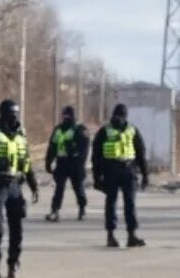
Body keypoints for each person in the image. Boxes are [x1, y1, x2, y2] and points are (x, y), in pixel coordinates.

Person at [0, 99, 39, 278]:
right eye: (10, 113)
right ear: (3, 114)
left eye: (16, 113)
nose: (14, 117)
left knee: (17, 227)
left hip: (15, 186)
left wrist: (33, 185)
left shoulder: (21, 134)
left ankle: (13, 262)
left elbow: (26, 162)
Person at [91, 104, 149, 248]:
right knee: (122, 203)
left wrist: (97, 177)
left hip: (122, 170)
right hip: (118, 169)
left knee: (121, 203)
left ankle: (124, 236)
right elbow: (96, 155)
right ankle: (120, 235)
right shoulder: (107, 131)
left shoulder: (129, 130)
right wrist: (97, 177)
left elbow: (140, 153)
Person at [45, 106, 89, 222]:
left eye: (68, 115)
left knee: (78, 187)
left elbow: (84, 148)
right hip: (62, 162)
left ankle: (82, 208)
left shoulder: (80, 129)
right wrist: (48, 162)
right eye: (64, 115)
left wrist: (80, 162)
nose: (66, 117)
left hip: (75, 163)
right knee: (59, 188)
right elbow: (52, 147)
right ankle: (55, 211)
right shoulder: (58, 129)